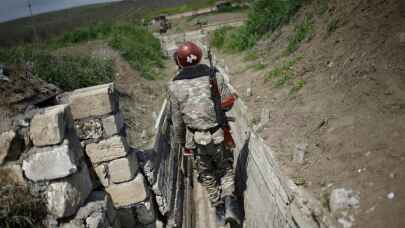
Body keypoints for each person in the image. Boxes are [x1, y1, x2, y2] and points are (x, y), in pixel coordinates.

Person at [167, 41, 241, 225]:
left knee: (206, 173)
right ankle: (231, 204)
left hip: (196, 139)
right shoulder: (213, 75)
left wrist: (182, 143)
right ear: (198, 55)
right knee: (225, 168)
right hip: (218, 134)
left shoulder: (174, 86)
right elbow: (228, 103)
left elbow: (177, 121)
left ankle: (219, 209)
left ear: (179, 61)